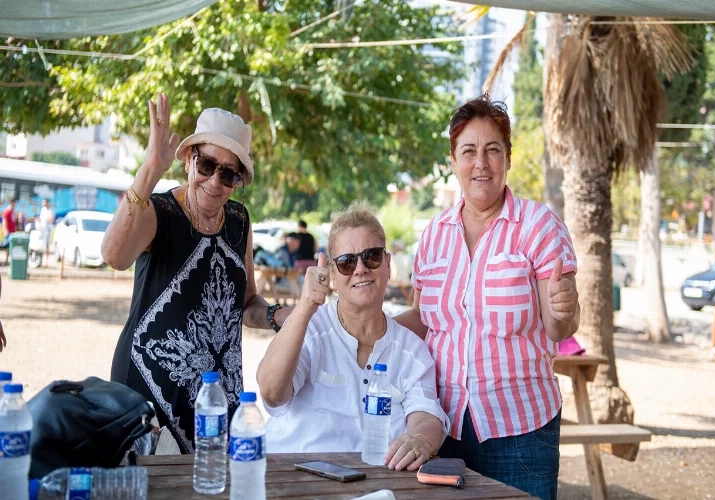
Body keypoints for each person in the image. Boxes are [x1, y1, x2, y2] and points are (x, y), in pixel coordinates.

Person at [395, 95, 580, 500]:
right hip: (441, 426)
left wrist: (566, 309)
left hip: (521, 431)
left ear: (508, 159)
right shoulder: (434, 234)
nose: (481, 162)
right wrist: (370, 328)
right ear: (453, 160)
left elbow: (559, 325)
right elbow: (423, 317)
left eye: (492, 150)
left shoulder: (539, 226)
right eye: (469, 151)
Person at [102, 94, 292, 454]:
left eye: (229, 172)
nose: (215, 180)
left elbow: (246, 302)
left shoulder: (239, 221)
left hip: (217, 400)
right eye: (206, 164)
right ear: (189, 160)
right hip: (150, 396)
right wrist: (149, 170)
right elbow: (113, 255)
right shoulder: (158, 211)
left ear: (238, 180)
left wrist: (275, 315)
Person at [257, 202, 449, 471]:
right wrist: (305, 307)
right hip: (294, 479)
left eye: (371, 256)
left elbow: (426, 415)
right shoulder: (309, 329)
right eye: (346, 262)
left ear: (388, 264)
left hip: (377, 486)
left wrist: (418, 440)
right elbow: (271, 392)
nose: (360, 269)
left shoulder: (411, 350)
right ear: (332, 275)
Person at [37, 199, 54, 266]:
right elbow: (41, 218)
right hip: (41, 230)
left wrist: (46, 221)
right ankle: (40, 261)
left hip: (47, 231)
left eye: (44, 203)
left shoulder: (51, 210)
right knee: (40, 246)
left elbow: (51, 219)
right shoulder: (43, 209)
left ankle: (46, 262)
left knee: (47, 246)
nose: (43, 204)